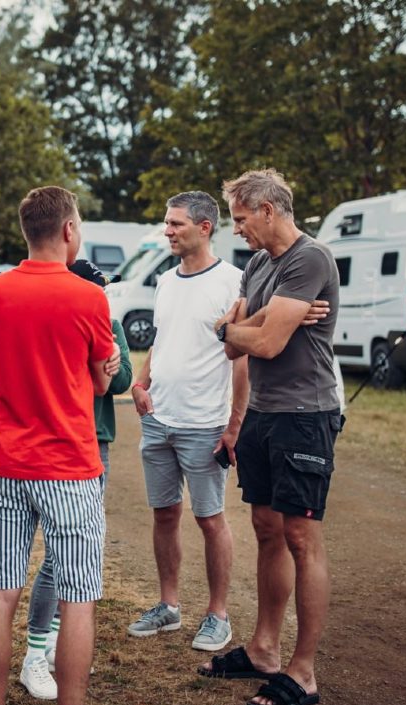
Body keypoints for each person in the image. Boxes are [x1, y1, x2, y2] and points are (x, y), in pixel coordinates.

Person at [0, 186, 120, 705]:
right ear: (68, 230)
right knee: (77, 597)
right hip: (67, 467)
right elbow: (100, 383)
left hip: (4, 463)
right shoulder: (89, 296)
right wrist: (101, 369)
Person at [201, 168, 341, 705]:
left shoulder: (310, 259)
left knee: (301, 537)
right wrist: (243, 326)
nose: (236, 229)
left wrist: (240, 327)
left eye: (240, 218)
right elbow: (236, 346)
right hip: (262, 412)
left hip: (305, 416)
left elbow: (267, 343)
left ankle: (302, 673)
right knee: (266, 528)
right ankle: (263, 649)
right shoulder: (259, 264)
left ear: (267, 210)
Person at [126, 191, 248, 654]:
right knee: (164, 514)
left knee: (210, 519)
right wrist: (141, 382)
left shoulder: (234, 282)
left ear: (204, 227)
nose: (168, 231)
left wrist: (234, 425)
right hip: (158, 419)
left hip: (205, 424)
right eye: (167, 222)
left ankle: (218, 615)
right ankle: (169, 606)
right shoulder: (165, 281)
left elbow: (241, 359)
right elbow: (162, 341)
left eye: (176, 223)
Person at [19, 257, 132, 701]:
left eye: (103, 290)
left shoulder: (111, 324)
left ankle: (53, 641)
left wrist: (110, 354)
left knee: (78, 552)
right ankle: (36, 650)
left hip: (95, 442)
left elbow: (119, 381)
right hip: (61, 444)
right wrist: (98, 362)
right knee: (56, 555)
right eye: (96, 289)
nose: (101, 296)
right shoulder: (56, 320)